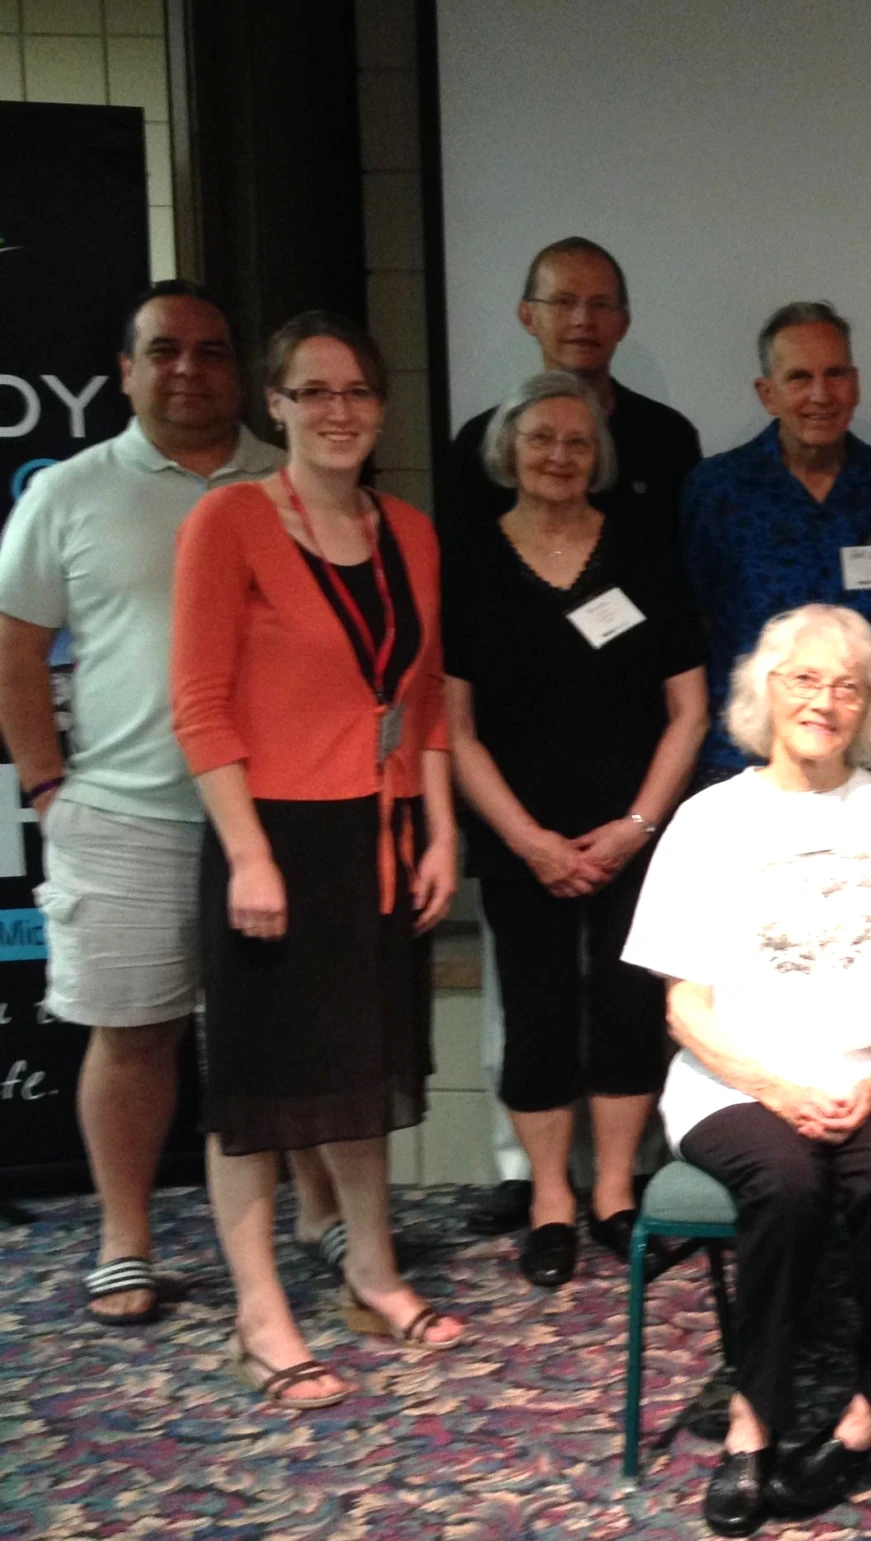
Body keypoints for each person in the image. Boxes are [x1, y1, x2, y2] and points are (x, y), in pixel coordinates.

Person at [622, 604, 871, 1533]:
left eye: (847, 686)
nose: (824, 700)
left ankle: (869, 1412)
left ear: (868, 709)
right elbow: (682, 1005)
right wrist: (772, 1087)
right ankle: (755, 1419)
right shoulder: (706, 819)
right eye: (804, 679)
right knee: (783, 1182)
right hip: (732, 1079)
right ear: (763, 691)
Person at [171, 312, 464, 1407]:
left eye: (357, 391)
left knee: (358, 1067)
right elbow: (197, 706)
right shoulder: (230, 520)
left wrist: (438, 827)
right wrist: (248, 853)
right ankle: (259, 1316)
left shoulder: (412, 533)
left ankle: (371, 1274)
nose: (339, 411)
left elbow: (423, 700)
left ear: (381, 407)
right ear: (276, 406)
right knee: (258, 1086)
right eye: (314, 392)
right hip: (272, 835)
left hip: (377, 833)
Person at [0, 281, 282, 1325]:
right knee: (132, 1035)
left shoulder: (291, 478)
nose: (189, 369)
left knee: (277, 1036)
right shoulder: (67, 492)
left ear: (239, 372)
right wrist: (45, 784)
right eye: (165, 351)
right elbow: (15, 651)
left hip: (278, 809)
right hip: (125, 815)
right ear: (125, 370)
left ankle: (298, 1226)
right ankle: (125, 1239)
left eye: (211, 351)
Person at [441, 237, 704, 1240]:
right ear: (508, 448)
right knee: (541, 1014)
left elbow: (687, 704)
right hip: (522, 838)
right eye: (541, 439)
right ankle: (550, 1193)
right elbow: (451, 723)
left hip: (635, 831)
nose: (560, 454)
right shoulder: (467, 562)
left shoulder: (644, 550)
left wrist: (638, 824)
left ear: (602, 454)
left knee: (633, 1005)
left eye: (578, 442)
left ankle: (616, 1189)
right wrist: (527, 839)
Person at [680, 301, 871, 784]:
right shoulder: (717, 489)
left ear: (855, 384)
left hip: (864, 753)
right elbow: (696, 618)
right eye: (799, 378)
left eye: (835, 374)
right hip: (745, 756)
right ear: (767, 393)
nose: (821, 394)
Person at [440, 237, 703, 538]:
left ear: (623, 323)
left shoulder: (669, 437)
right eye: (563, 302)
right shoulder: (482, 440)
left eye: (601, 305)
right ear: (527, 317)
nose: (582, 320)